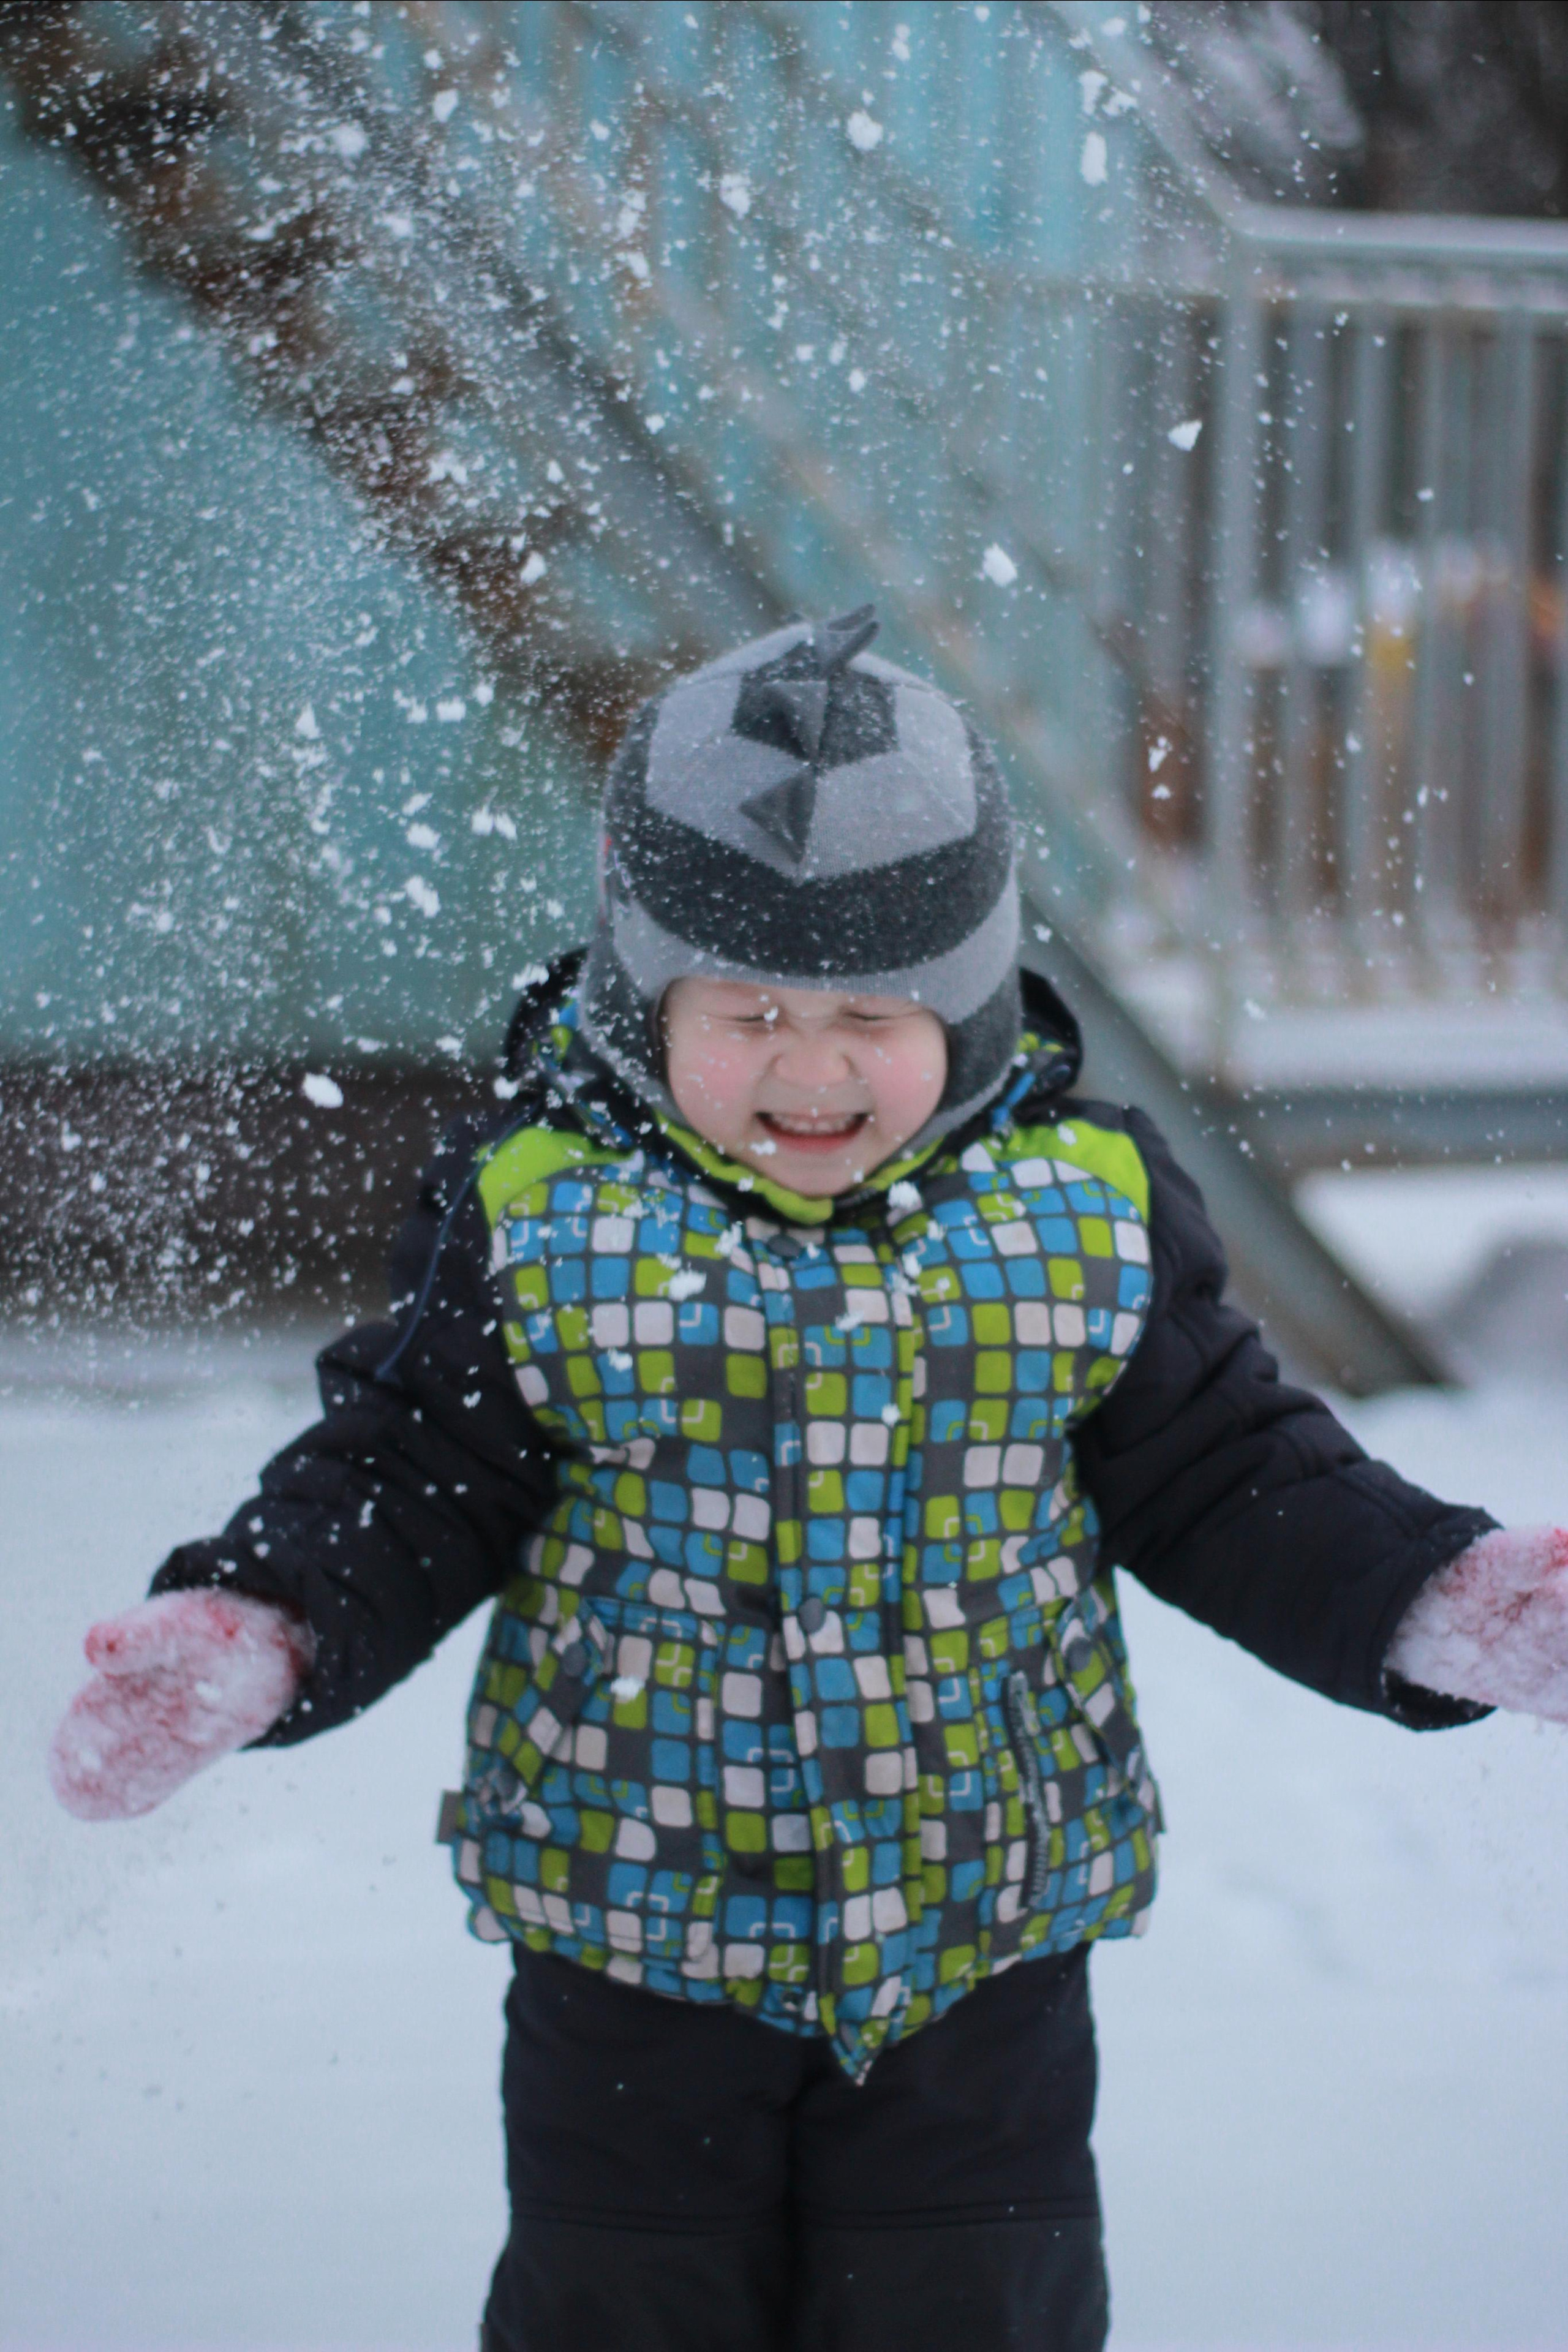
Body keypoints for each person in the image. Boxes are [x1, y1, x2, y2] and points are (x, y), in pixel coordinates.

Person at [50, 609, 1568, 2352]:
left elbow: (1230, 1474)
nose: (813, 1066)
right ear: (644, 992)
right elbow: (406, 1470)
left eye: (875, 1010)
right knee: (628, 2311)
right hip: (632, 1934)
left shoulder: (1079, 1215)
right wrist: (264, 1620)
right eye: (748, 1007)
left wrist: (1435, 1595)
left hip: (978, 1943)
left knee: (965, 2312)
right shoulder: (546, 1214)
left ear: (975, 995)